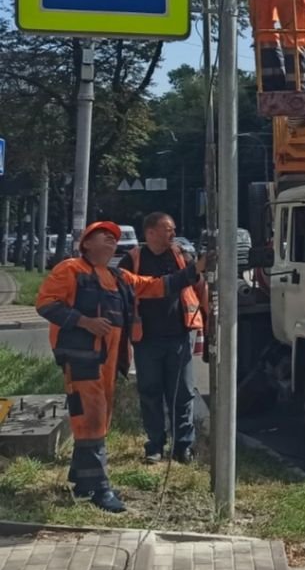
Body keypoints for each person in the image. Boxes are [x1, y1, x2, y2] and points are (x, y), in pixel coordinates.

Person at [36, 222, 210, 513]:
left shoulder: (119, 277)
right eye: (103, 236)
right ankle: (100, 489)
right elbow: (45, 304)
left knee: (98, 420)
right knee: (91, 419)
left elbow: (156, 286)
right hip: (82, 359)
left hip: (109, 362)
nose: (111, 240)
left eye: (114, 238)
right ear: (86, 244)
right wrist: (84, 322)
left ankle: (81, 482)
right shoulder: (70, 270)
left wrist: (194, 270)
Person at [117, 211, 208, 466]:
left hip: (180, 336)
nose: (173, 233)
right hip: (146, 339)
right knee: (151, 393)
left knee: (183, 394)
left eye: (173, 229)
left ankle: (183, 447)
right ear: (150, 233)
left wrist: (208, 322)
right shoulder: (132, 260)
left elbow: (200, 289)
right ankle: (155, 446)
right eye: (168, 229)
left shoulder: (181, 256)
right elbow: (139, 291)